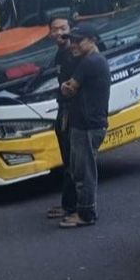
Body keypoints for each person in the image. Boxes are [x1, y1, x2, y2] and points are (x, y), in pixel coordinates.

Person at [59, 26, 110, 228]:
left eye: (78, 41)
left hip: (87, 125)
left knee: (84, 172)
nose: (73, 45)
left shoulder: (89, 62)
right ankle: (81, 210)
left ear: (91, 40)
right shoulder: (95, 61)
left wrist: (64, 87)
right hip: (89, 123)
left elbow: (69, 89)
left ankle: (86, 213)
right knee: (79, 169)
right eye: (72, 40)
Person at [45, 15, 80, 220]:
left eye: (62, 28)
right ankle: (68, 204)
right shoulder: (59, 55)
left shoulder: (74, 54)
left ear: (70, 29)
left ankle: (73, 206)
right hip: (63, 110)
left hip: (72, 113)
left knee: (73, 161)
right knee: (67, 160)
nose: (59, 32)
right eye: (54, 29)